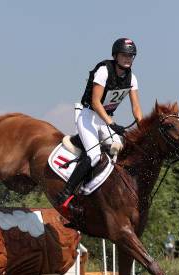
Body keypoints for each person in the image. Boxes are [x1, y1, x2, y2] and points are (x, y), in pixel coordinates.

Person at [55, 38, 144, 209]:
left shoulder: (132, 78)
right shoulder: (104, 70)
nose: (128, 59)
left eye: (131, 56)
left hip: (104, 120)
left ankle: (99, 193)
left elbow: (137, 107)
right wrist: (111, 123)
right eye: (124, 55)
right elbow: (96, 102)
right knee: (95, 155)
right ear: (115, 55)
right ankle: (66, 194)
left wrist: (142, 129)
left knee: (119, 150)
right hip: (88, 115)